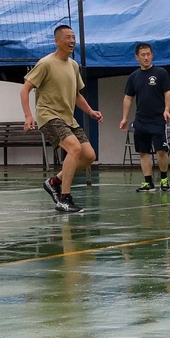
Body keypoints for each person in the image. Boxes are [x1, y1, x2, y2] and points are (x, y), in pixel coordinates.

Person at [21, 25, 103, 214]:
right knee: (74, 149)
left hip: (68, 118)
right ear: (57, 41)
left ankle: (54, 182)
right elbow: (25, 89)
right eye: (67, 37)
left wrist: (90, 111)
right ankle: (64, 199)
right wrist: (28, 116)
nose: (72, 40)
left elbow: (76, 94)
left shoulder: (73, 65)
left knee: (89, 155)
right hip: (48, 115)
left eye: (73, 37)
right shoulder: (45, 63)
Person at [119, 42, 170, 192]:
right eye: (143, 55)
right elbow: (128, 98)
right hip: (141, 120)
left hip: (158, 119)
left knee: (161, 150)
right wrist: (124, 118)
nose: (146, 57)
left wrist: (167, 109)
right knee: (143, 151)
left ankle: (164, 179)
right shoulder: (133, 77)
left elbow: (168, 92)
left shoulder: (161, 73)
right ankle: (148, 182)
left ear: (152, 55)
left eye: (148, 54)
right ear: (137, 57)